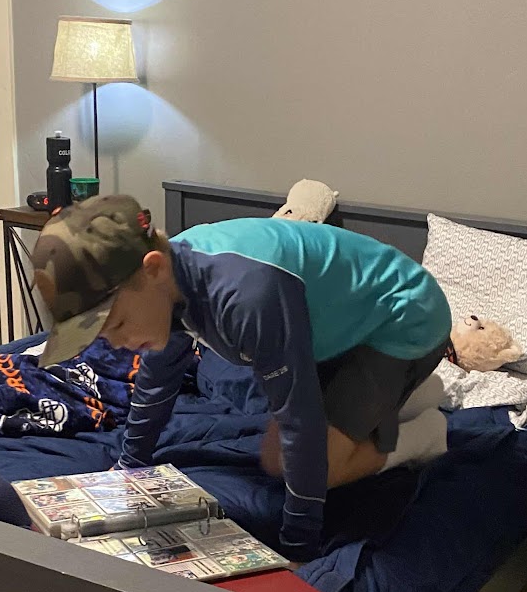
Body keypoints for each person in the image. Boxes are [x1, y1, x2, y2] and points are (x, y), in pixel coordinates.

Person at [33, 195, 452, 563]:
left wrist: (298, 545)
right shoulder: (169, 281)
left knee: (308, 468)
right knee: (273, 459)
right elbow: (157, 380)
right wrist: (129, 467)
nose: (118, 344)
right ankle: (409, 397)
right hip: (335, 328)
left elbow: (299, 419)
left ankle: (425, 433)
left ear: (152, 268)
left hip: (402, 317)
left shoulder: (247, 296)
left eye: (119, 323)